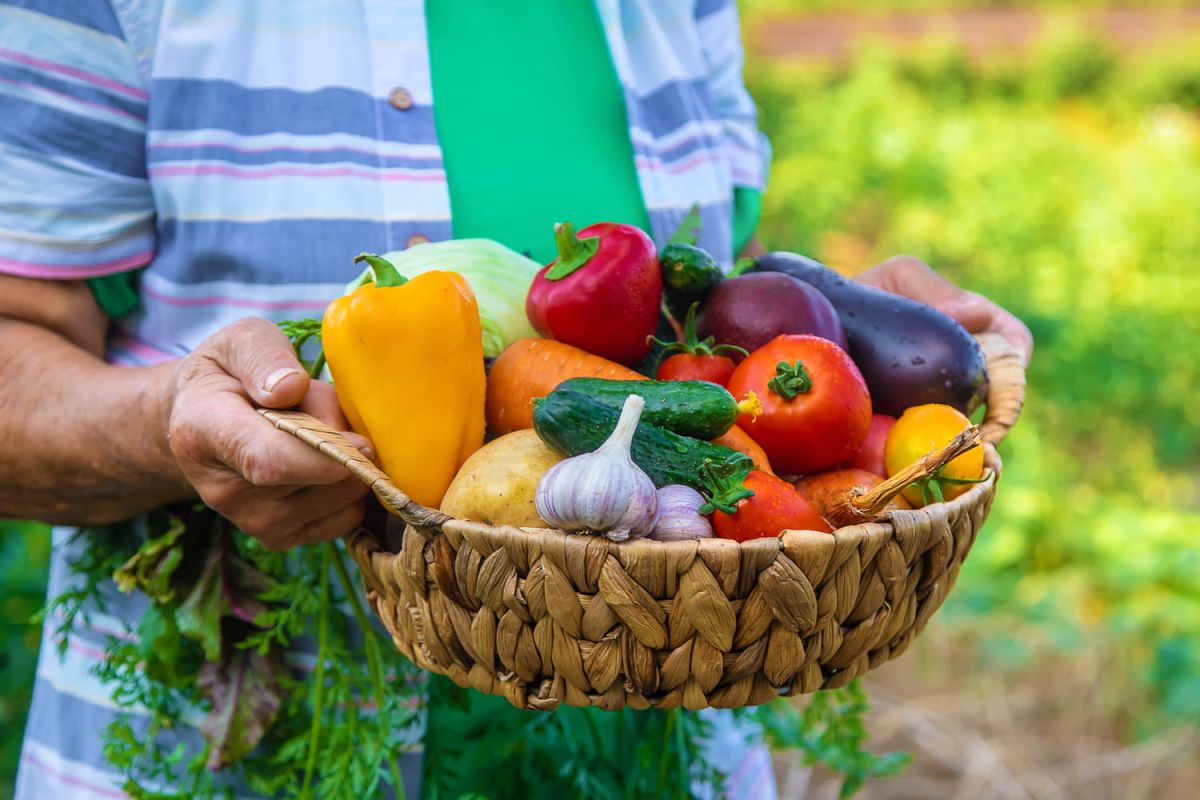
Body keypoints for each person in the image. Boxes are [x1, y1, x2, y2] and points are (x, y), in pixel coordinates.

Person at [0, 2, 1032, 798]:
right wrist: (170, 423)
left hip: (667, 742)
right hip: (243, 742)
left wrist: (847, 324)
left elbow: (692, 306)